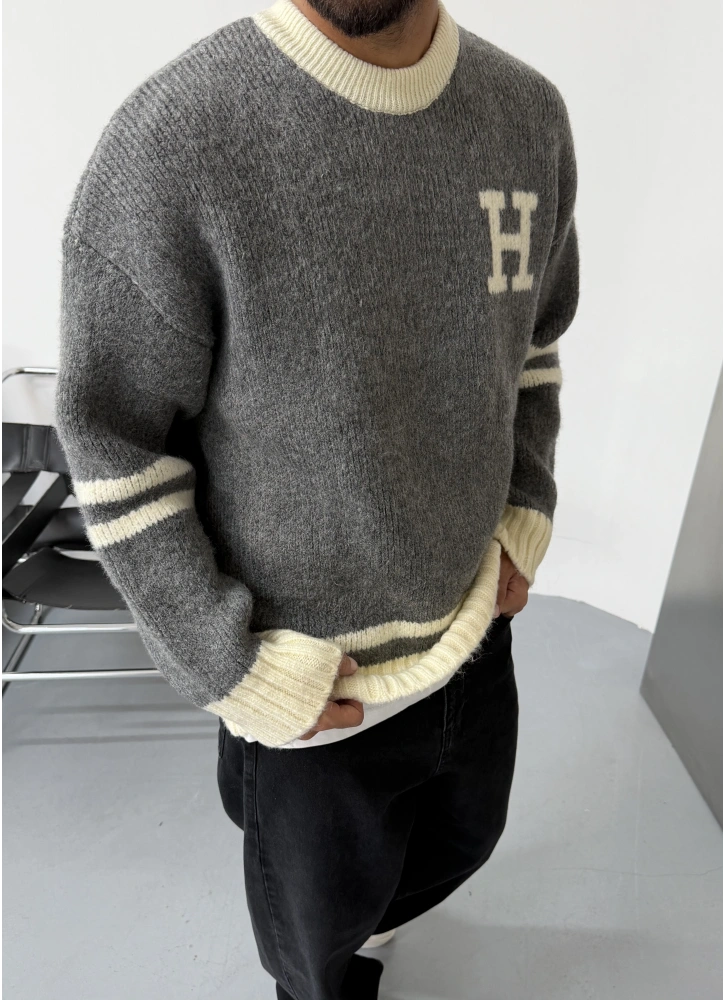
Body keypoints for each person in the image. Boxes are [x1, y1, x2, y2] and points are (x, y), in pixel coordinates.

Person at [54, 0, 580, 995]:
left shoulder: (526, 115)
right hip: (311, 678)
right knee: (312, 944)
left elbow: (532, 342)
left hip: (473, 624)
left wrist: (524, 504)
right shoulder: (174, 141)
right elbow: (118, 438)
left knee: (460, 842)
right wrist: (227, 663)